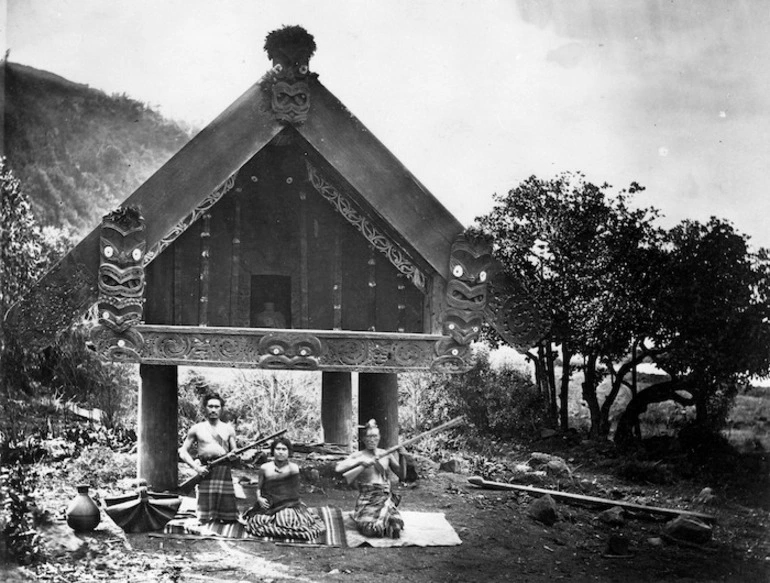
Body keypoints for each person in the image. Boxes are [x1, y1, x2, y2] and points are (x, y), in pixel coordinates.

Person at [335, 419, 407, 538]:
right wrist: (361, 461)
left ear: (379, 437)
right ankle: (385, 524)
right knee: (369, 529)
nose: (371, 439)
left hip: (384, 495)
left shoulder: (386, 454)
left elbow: (402, 476)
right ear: (363, 439)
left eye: (374, 436)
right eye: (368, 437)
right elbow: (339, 468)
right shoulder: (358, 455)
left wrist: (402, 456)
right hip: (367, 498)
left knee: (397, 521)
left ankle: (391, 523)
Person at [243, 436, 325, 540]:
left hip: (288, 504)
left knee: (289, 521)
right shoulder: (265, 468)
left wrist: (286, 504)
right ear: (273, 451)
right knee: (261, 521)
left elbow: (293, 492)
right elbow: (259, 488)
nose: (280, 452)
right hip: (270, 504)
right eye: (278, 449)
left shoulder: (293, 468)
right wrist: (259, 499)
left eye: (284, 449)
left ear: (289, 452)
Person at [179, 393, 239, 523]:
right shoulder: (197, 428)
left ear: (221, 408)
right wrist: (196, 468)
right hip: (205, 470)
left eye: (217, 406)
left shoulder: (229, 429)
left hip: (223, 470)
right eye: (210, 406)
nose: (213, 410)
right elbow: (182, 452)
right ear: (205, 408)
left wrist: (234, 456)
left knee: (228, 518)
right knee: (203, 518)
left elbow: (235, 454)